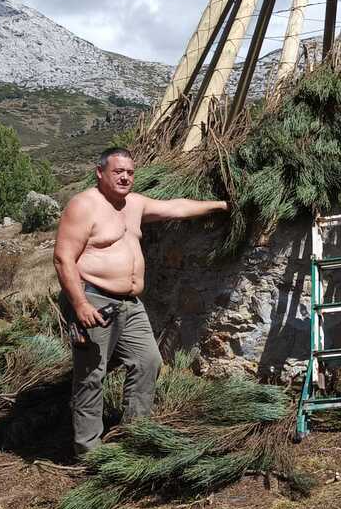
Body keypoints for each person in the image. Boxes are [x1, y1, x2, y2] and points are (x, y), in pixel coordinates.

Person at [53, 146, 227, 458]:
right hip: (94, 299)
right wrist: (80, 305)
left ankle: (133, 437)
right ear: (100, 172)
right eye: (118, 171)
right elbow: (63, 259)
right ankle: (88, 452)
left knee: (148, 362)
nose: (124, 177)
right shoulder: (84, 205)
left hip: (130, 303)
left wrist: (221, 204)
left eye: (130, 172)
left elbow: (176, 207)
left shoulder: (133, 204)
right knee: (92, 375)